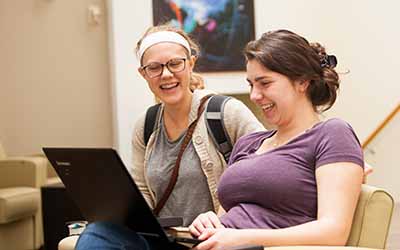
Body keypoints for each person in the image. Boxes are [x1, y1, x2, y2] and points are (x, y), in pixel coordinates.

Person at [76, 29, 366, 249]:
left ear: (303, 81)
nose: (254, 96)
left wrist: (240, 238)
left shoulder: (332, 133)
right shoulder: (251, 144)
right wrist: (210, 220)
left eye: (265, 83)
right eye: (251, 84)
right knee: (100, 232)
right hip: (206, 241)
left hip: (250, 247)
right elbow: (228, 210)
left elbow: (334, 231)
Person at [131, 25, 264, 226]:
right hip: (164, 241)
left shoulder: (227, 113)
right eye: (154, 67)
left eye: (175, 64)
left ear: (191, 64)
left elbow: (266, 171)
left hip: (219, 239)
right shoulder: (146, 124)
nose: (166, 74)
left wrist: (223, 217)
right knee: (97, 232)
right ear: (143, 74)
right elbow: (141, 190)